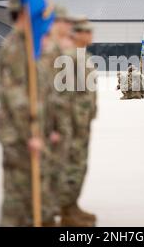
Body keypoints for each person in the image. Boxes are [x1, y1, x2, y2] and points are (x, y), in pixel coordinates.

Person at [0, 0, 55, 227]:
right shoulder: (14, 48)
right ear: (23, 14)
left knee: (34, 195)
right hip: (19, 134)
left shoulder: (29, 46)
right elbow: (14, 97)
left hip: (31, 131)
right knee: (16, 200)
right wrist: (30, 133)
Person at [59, 19, 97, 227]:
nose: (91, 35)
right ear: (78, 33)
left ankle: (72, 206)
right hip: (71, 123)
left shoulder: (83, 56)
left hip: (82, 121)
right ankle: (66, 210)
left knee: (79, 165)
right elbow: (63, 94)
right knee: (72, 165)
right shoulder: (70, 57)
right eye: (87, 31)